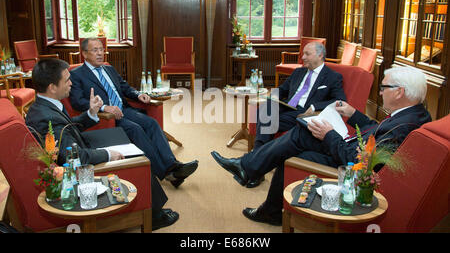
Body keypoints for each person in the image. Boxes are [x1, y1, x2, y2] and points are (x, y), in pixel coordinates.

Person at [211, 66, 431, 226]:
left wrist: (329, 134)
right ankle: (264, 198)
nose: (380, 92)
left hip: (351, 170)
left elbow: (361, 163)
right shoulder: (414, 115)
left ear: (400, 91)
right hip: (350, 150)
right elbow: (376, 130)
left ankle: (248, 169)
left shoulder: (403, 125)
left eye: (384, 88)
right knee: (296, 145)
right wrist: (354, 114)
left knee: (301, 134)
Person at [26, 58, 179, 230]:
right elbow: (73, 159)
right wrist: (108, 154)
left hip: (79, 143)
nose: (71, 83)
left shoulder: (45, 105)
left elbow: (69, 127)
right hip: (79, 161)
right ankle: (154, 215)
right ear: (52, 87)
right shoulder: (47, 118)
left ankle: (154, 190)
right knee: (136, 155)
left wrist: (91, 113)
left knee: (123, 135)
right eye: (66, 80)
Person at [69, 38, 197, 188]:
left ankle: (173, 165)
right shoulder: (77, 74)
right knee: (136, 129)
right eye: (95, 50)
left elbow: (124, 87)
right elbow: (77, 102)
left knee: (151, 123)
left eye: (101, 49)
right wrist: (103, 107)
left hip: (125, 109)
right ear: (84, 54)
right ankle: (167, 173)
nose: (100, 53)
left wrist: (137, 95)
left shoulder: (108, 68)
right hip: (108, 117)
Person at [249, 42, 347, 187]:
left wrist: (315, 106)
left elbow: (340, 101)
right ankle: (257, 163)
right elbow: (282, 89)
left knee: (266, 119)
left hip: (304, 113)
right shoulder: (298, 72)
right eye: (303, 54)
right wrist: (273, 96)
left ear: (320, 55)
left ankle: (255, 167)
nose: (303, 57)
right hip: (287, 107)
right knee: (265, 109)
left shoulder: (332, 77)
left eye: (307, 54)